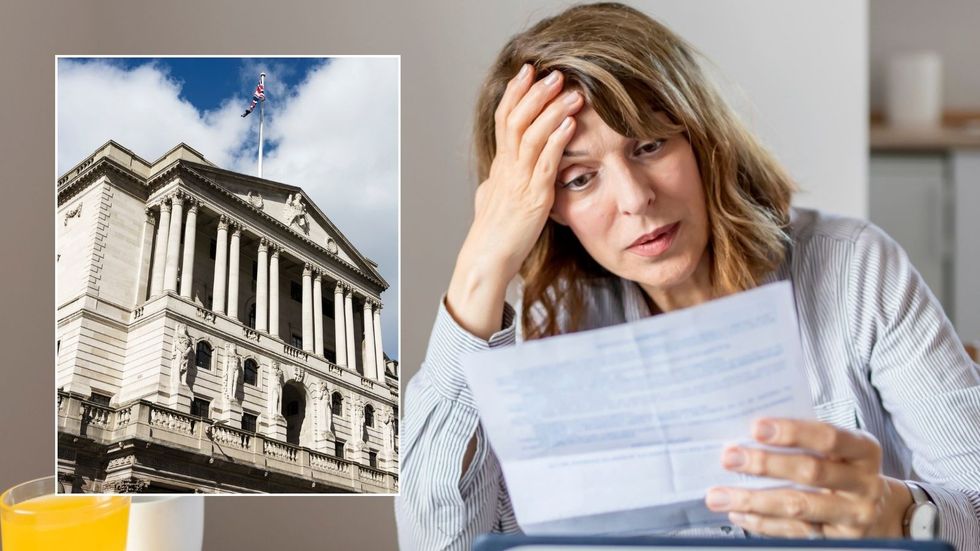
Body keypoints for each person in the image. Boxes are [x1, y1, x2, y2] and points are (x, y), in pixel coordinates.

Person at [394, 3, 980, 550]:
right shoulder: (540, 330)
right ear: (543, 206)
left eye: (649, 145)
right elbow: (437, 541)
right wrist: (480, 266)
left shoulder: (855, 270)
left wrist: (896, 512)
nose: (635, 199)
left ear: (703, 139)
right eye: (579, 179)